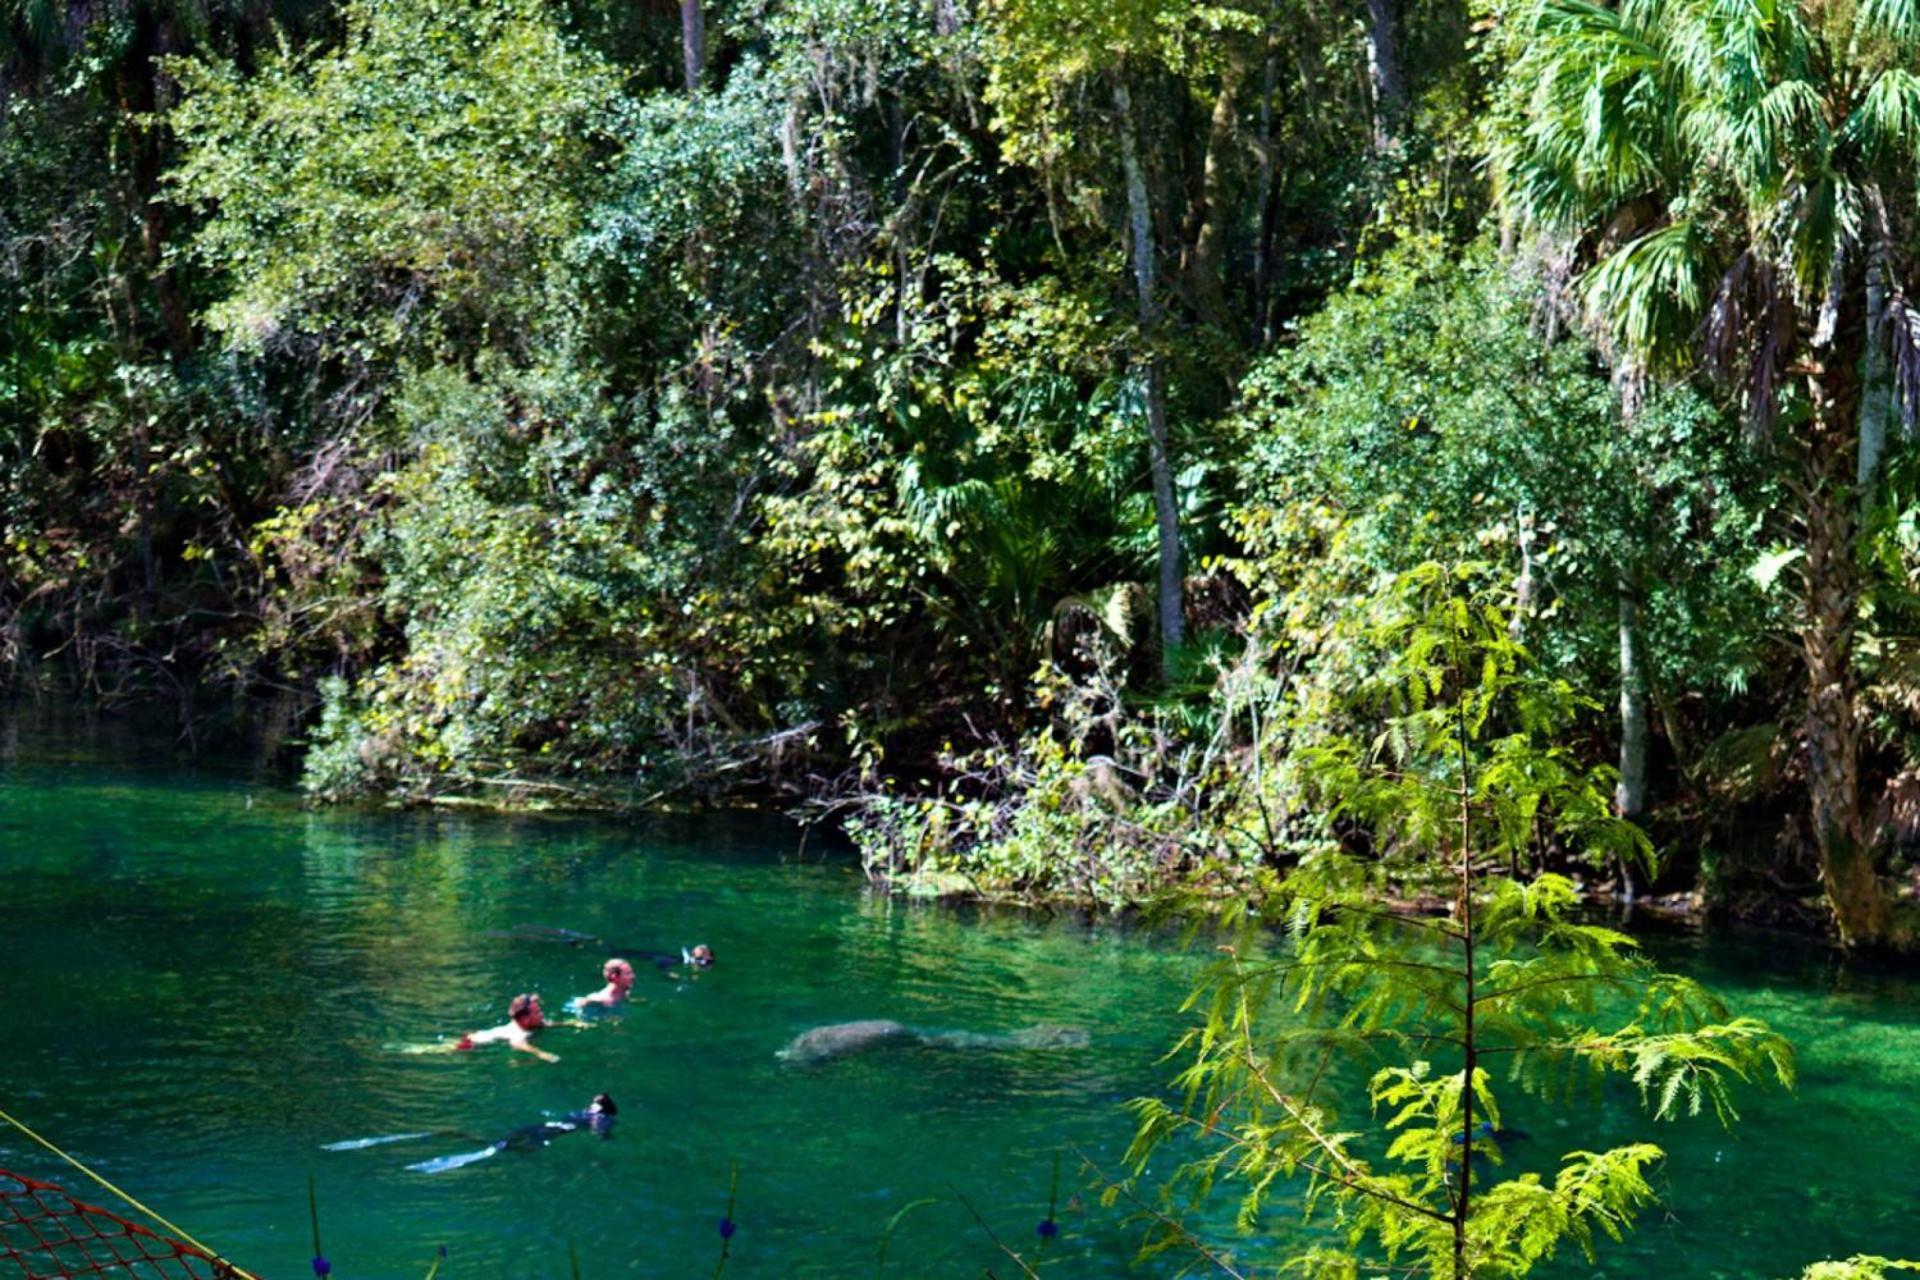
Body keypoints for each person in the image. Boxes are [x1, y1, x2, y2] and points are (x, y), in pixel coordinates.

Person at [405, 1095, 617, 1174]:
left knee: (503, 1140)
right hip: (556, 1130)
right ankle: (499, 1148)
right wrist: (606, 1139)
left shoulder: (587, 1113)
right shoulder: (601, 1118)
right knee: (521, 1148)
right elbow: (599, 1133)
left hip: (546, 1124)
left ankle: (465, 1138)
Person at [453, 993, 559, 1063]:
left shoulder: (533, 1022)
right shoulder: (517, 1034)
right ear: (525, 1018)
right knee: (448, 1049)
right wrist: (541, 1054)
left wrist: (572, 1023)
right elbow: (517, 1044)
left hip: (477, 1035)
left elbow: (547, 1023)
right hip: (471, 1043)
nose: (541, 1015)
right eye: (537, 1012)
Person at [572, 958, 636, 1011]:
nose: (633, 976)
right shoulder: (598, 999)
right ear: (614, 977)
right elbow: (578, 1007)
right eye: (628, 973)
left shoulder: (625, 992)